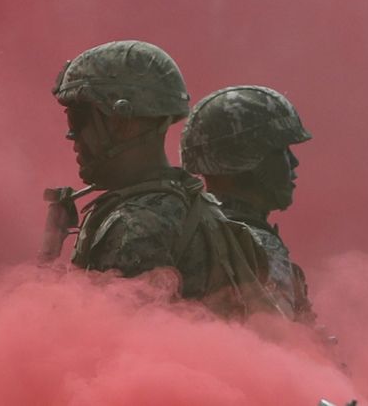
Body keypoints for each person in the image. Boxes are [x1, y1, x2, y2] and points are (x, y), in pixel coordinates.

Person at [42, 40, 275, 316]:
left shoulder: (135, 225)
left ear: (122, 122)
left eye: (78, 121)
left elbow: (105, 341)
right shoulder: (197, 204)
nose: (73, 138)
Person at [179, 85, 314, 321]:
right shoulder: (254, 245)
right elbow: (279, 344)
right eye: (279, 152)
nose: (293, 162)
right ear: (243, 159)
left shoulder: (191, 229)